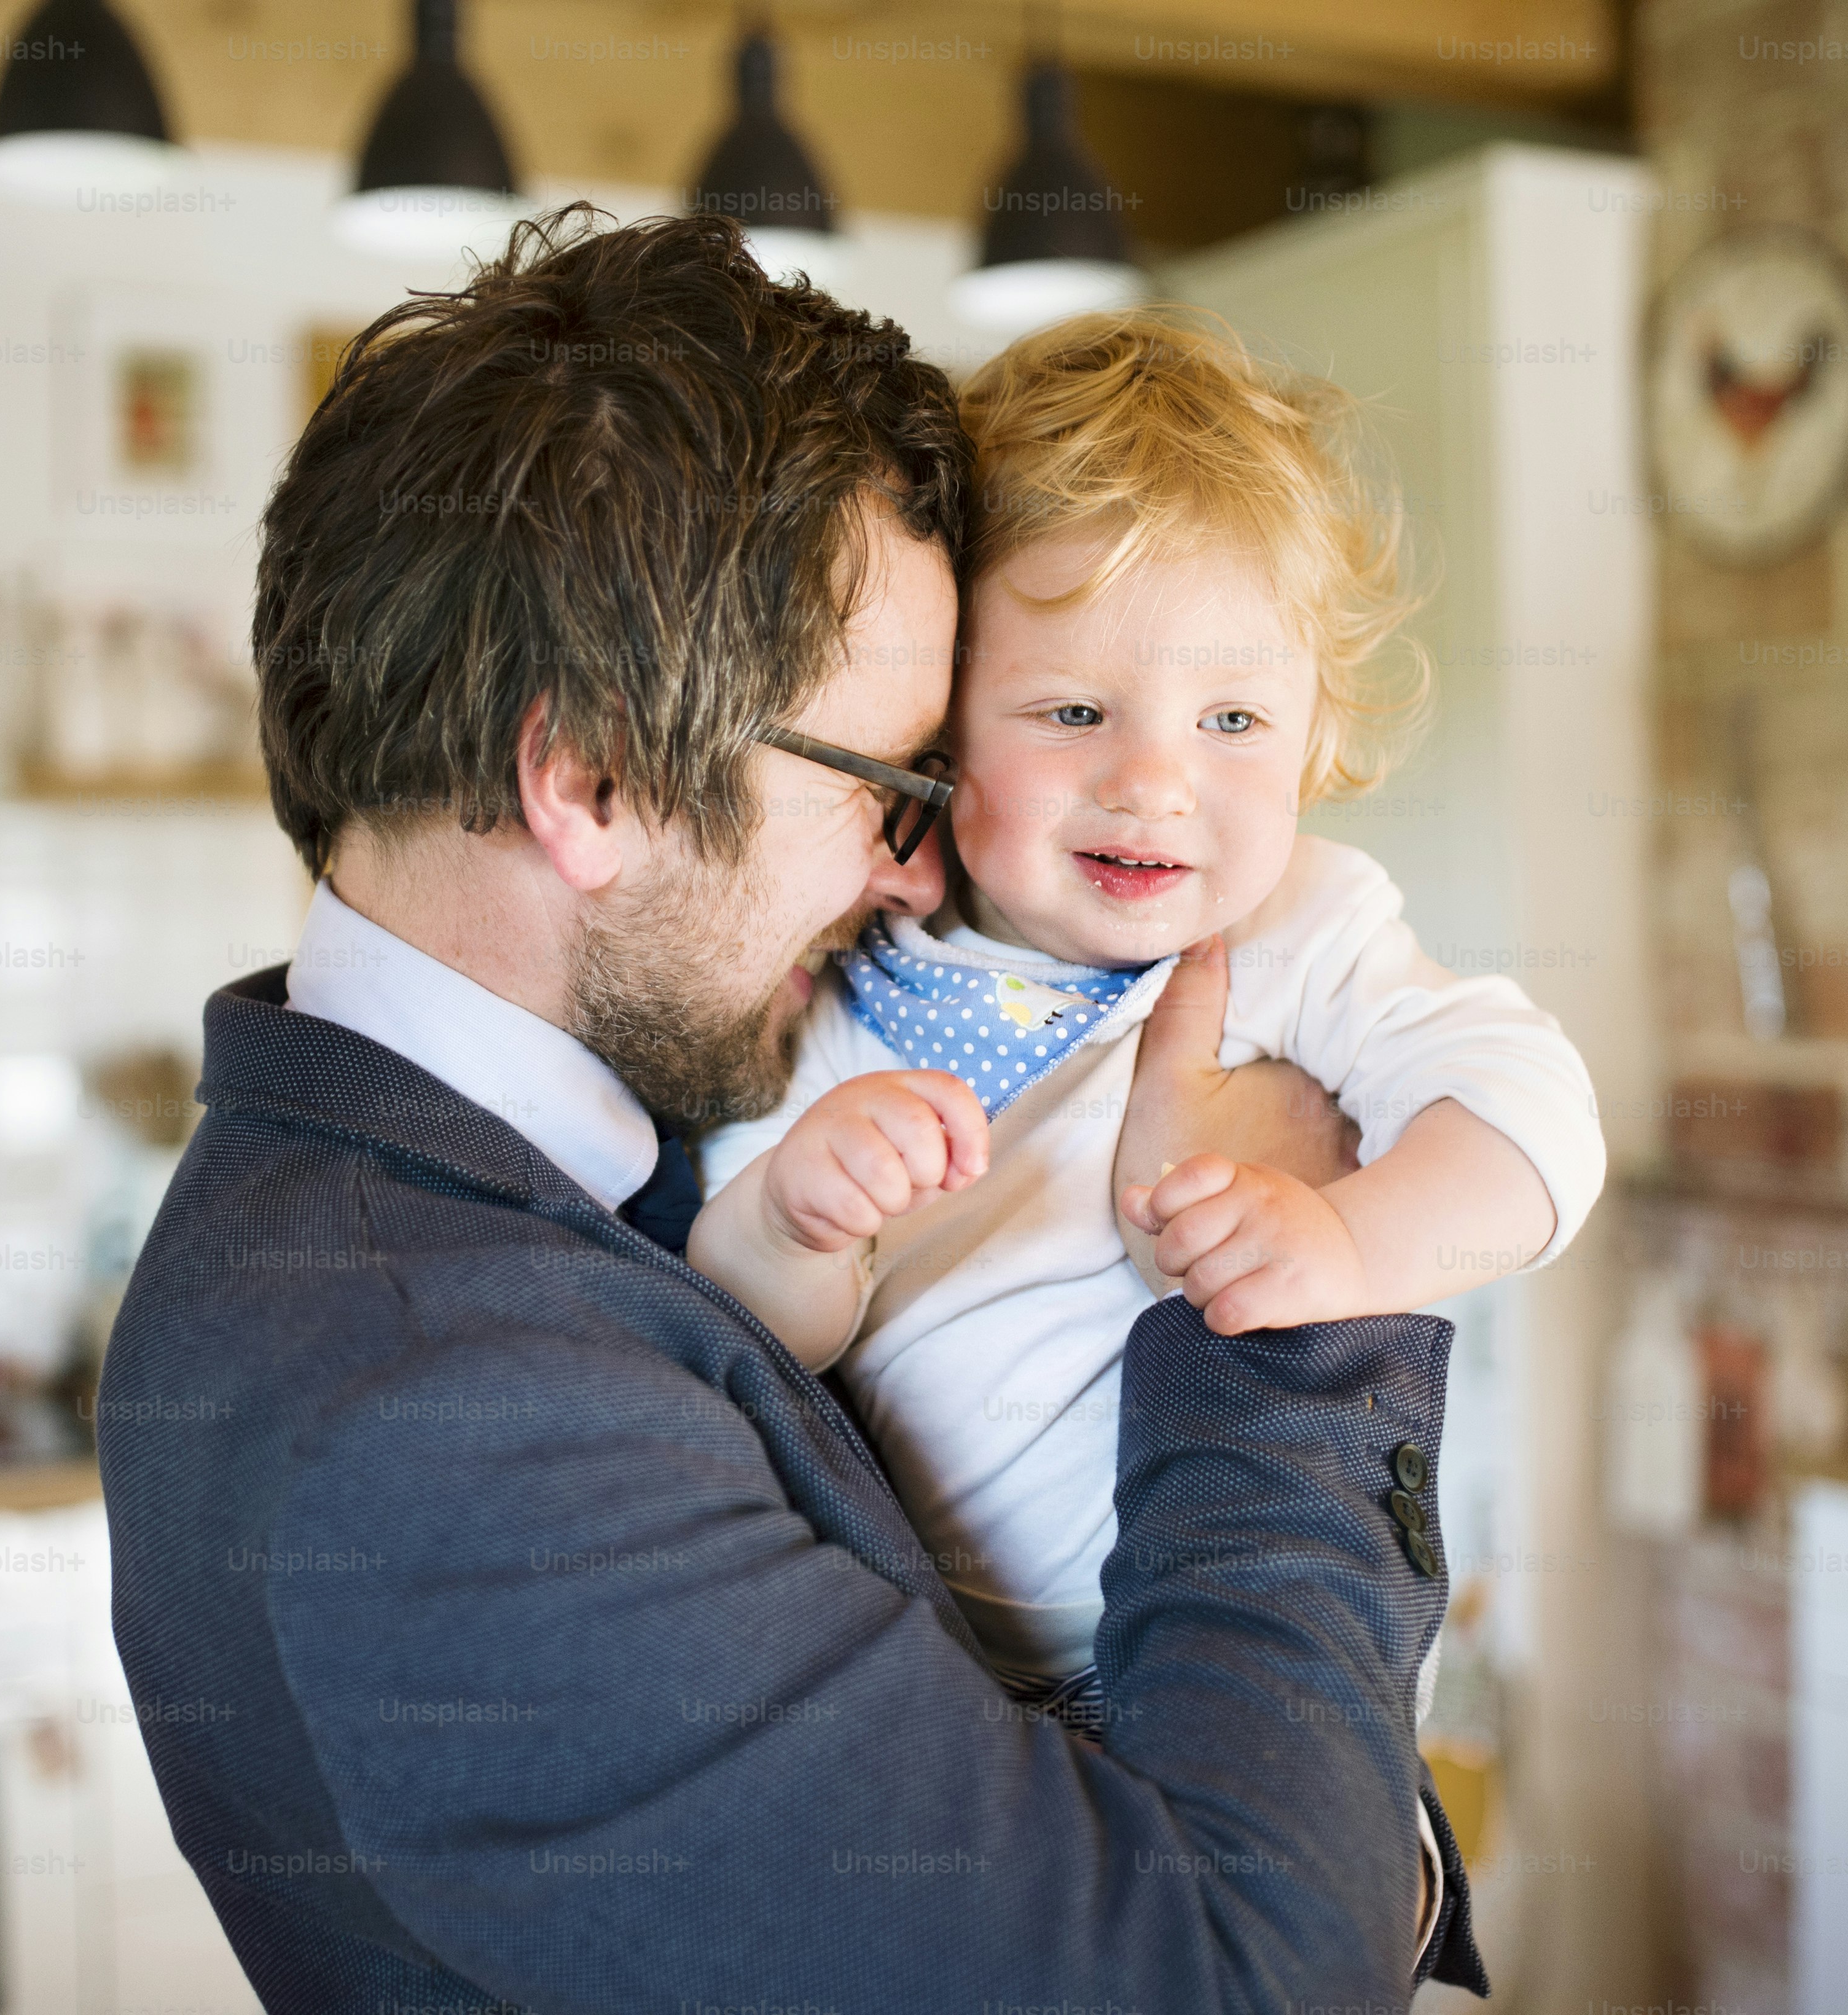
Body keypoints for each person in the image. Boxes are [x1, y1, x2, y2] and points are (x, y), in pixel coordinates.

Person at [99, 209, 1487, 2014]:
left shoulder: (475, 1182)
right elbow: (1226, 1988)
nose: (922, 881)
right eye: (889, 783)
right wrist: (1280, 1302)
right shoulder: (448, 1423)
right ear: (589, 775)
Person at [687, 310, 1607, 1716]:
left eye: (1232, 722)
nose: (1155, 783)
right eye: (1071, 713)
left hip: (1199, 1661)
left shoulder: (1295, 927)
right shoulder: (847, 961)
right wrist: (791, 1219)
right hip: (910, 1676)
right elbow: (756, 1339)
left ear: (1317, 731)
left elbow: (1541, 1126)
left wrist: (1345, 1240)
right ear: (937, 728)